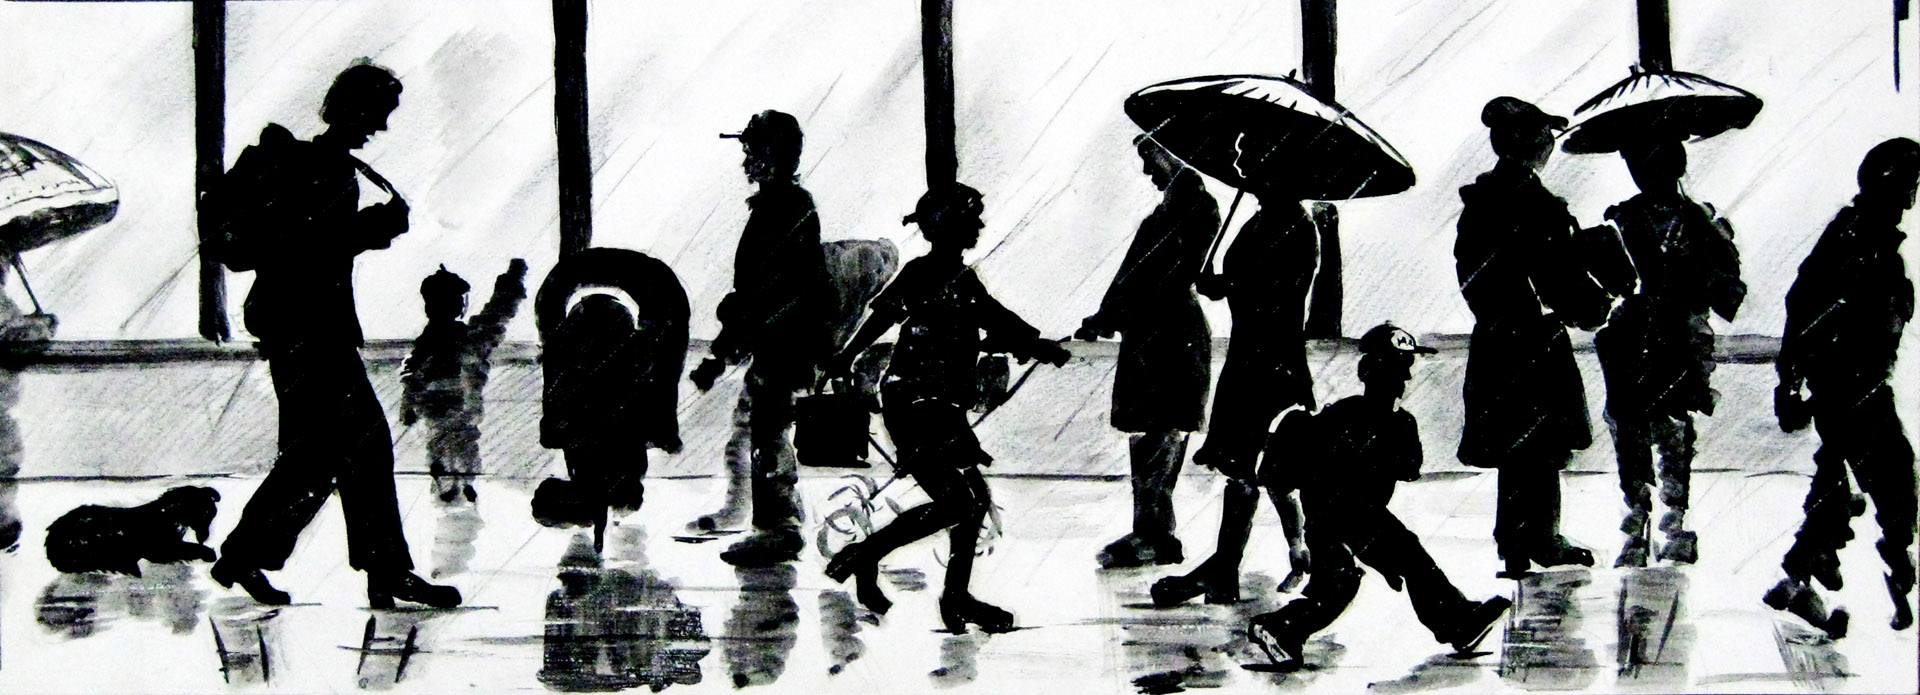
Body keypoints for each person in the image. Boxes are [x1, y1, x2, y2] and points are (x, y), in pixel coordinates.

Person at [209, 62, 459, 609]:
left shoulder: (334, 167)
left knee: (318, 455)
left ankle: (248, 556)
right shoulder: (305, 166)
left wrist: (364, 231)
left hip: (308, 325)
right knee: (359, 444)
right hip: (303, 328)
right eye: (376, 113)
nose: (380, 127)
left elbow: (311, 242)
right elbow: (294, 245)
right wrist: (367, 230)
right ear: (346, 108)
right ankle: (384, 572)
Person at [820, 185, 1071, 633]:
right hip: (915, 404)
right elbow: (884, 317)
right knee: (958, 501)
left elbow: (994, 318)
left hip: (941, 406)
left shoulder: (961, 278)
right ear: (949, 226)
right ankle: (867, 555)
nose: (979, 225)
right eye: (972, 218)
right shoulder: (923, 273)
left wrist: (1037, 345)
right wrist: (847, 355)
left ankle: (955, 597)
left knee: (972, 503)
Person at [1246, 324, 1512, 670]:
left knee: (1350, 581)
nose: (1405, 378)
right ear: (1370, 371)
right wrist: (1297, 540)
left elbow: (1407, 468)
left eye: (1406, 367)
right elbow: (1286, 475)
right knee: (1394, 562)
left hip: (1350, 516)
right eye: (1395, 367)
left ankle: (1281, 628)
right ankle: (1457, 622)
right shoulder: (1343, 418)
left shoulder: (1397, 423)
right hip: (1342, 515)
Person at [1766, 137, 1920, 637]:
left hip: (1852, 380)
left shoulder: (1866, 235)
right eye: (1907, 186)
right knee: (1892, 477)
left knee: (1841, 480)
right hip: (1850, 381)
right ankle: (1885, 571)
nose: (1911, 199)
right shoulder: (1856, 237)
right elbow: (1804, 306)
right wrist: (1790, 381)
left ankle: (1798, 578)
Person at [1455, 96, 1611, 579]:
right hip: (1534, 339)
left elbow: (1471, 276)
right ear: (1527, 141)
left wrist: (1499, 314)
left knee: (1515, 445)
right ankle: (1540, 538)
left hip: (1496, 338)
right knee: (1539, 443)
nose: (1550, 143)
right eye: (1545, 134)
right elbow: (1558, 277)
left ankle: (1515, 544)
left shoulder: (1479, 203)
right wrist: (1594, 304)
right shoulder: (1539, 206)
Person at [1150, 166, 1314, 605]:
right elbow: (1246, 282)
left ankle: (1233, 566)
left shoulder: (1298, 226)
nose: (1245, 169)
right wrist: (1219, 285)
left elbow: (1280, 292)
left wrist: (1228, 284)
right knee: (1244, 468)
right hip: (1248, 358)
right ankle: (1230, 567)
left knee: (1262, 467)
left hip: (1273, 361)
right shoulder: (1259, 220)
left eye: (1256, 164)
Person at [1586, 139, 1745, 567]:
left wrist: (1698, 268)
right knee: (1630, 426)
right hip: (1634, 334)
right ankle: (1639, 520)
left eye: (1647, 162)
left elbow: (1728, 286)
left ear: (1672, 165)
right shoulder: (1625, 217)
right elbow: (1607, 281)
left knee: (1670, 427)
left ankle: (1670, 521)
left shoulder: (1698, 220)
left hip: (1678, 335)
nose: (1640, 172)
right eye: (1636, 163)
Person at [688, 110, 835, 567]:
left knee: (767, 433)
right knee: (751, 429)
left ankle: (778, 528)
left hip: (782, 343)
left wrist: (726, 347)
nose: (746, 161)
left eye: (753, 151)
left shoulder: (785, 208)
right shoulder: (782, 205)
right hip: (777, 338)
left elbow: (778, 289)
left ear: (775, 155)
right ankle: (747, 512)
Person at [1077, 134, 1219, 568]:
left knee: (1162, 434)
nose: (1146, 170)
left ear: (1172, 153)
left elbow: (1163, 275)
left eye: (1150, 157)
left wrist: (1114, 313)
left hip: (1173, 335)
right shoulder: (1168, 213)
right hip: (1149, 333)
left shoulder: (1197, 209)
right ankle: (1151, 531)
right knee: (1146, 437)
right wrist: (1106, 316)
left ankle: (1155, 535)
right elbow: (1134, 274)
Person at [534, 248, 691, 552]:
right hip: (611, 429)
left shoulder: (567, 363)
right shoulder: (637, 359)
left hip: (598, 429)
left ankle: (599, 503)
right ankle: (604, 501)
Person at [401, 260, 528, 504]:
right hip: (462, 404)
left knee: (439, 442)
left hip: (435, 407)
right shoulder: (468, 338)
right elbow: (496, 315)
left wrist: (408, 404)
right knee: (464, 442)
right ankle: (465, 482)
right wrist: (513, 280)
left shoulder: (426, 341)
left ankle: (447, 481)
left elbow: (411, 375)